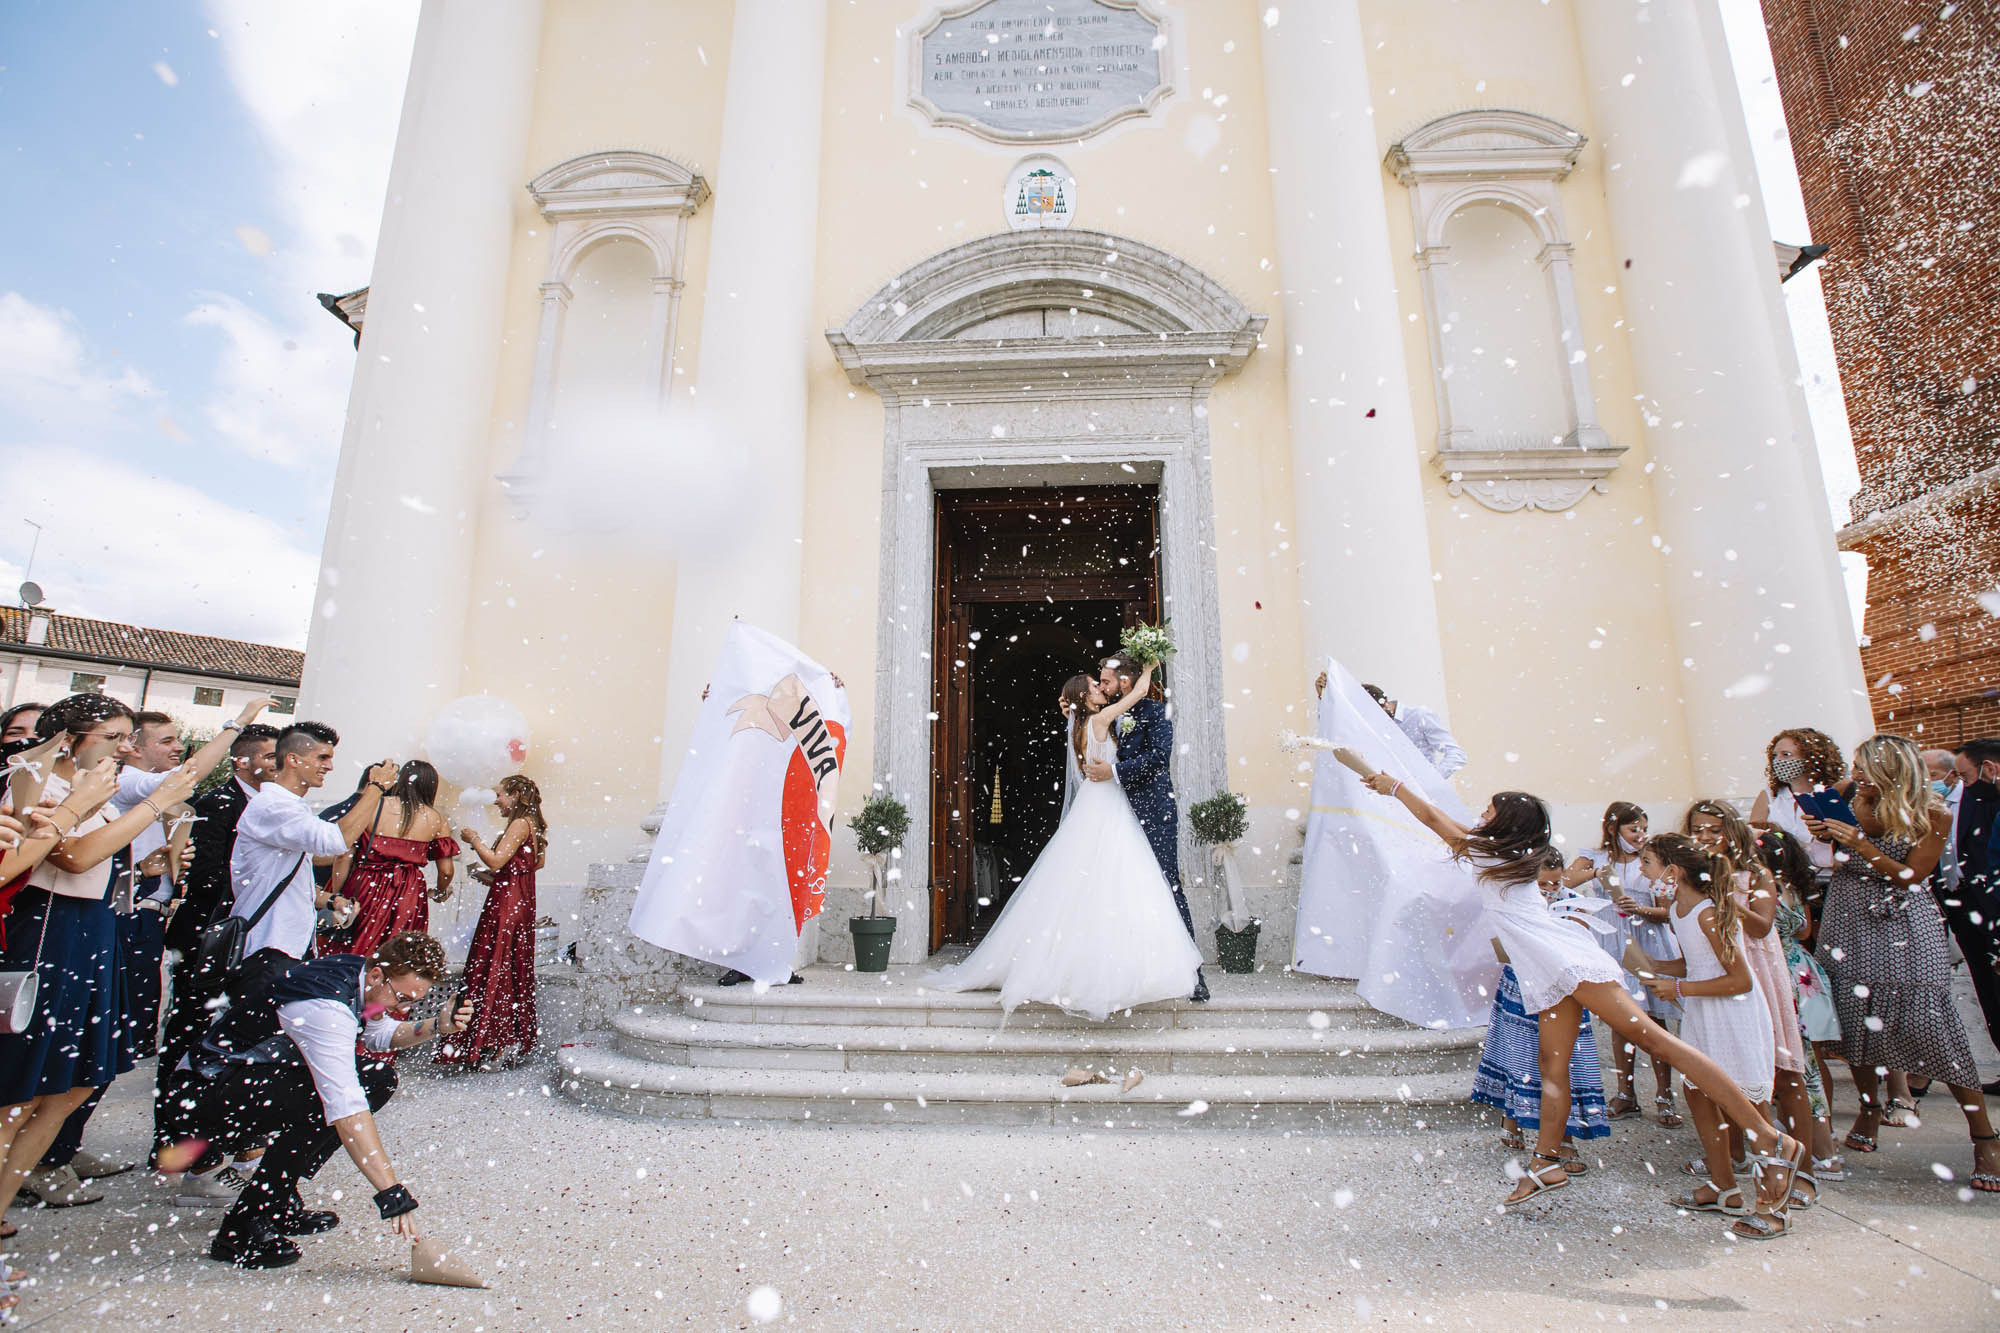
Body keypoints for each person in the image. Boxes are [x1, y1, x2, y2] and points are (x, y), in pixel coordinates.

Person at [1358, 777, 1806, 1233]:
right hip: (1546, 966)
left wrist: (1391, 785)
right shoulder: (1502, 854)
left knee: (1656, 1041)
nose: (1481, 817)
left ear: (1506, 824)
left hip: (1566, 962)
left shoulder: (1496, 855)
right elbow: (1448, 822)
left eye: (1489, 812)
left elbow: (1436, 819)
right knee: (1553, 1062)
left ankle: (1769, 1139)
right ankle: (1547, 1160)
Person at [0, 695, 201, 1239]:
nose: (126, 748)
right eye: (114, 738)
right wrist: (156, 804)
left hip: (97, 927)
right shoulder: (39, 783)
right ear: (70, 740)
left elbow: (102, 857)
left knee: (72, 1084)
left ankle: (11, 1187)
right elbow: (73, 856)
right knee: (21, 1084)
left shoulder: (98, 791)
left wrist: (155, 861)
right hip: (48, 929)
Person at [177, 931, 472, 1268]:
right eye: (402, 998)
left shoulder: (364, 978)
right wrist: (392, 1192)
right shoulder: (326, 1007)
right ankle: (242, 1229)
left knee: (378, 1078)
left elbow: (380, 1036)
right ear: (378, 975)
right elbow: (346, 1108)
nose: (403, 1008)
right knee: (328, 1103)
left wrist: (436, 1026)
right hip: (205, 1094)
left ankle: (278, 1198)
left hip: (245, 1080)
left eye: (411, 1003)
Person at [927, 664, 1202, 1020]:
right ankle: (1107, 971)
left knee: (1084, 887)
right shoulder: (1099, 722)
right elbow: (1135, 695)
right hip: (1107, 803)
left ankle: (1077, 964)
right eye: (1095, 685)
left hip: (1098, 801)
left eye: (1102, 681)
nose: (1101, 687)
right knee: (1116, 882)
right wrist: (1147, 665)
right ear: (1086, 697)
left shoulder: (1079, 725)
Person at [1809, 734, 2000, 1193]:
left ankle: (1984, 1138)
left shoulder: (1933, 812)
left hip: (1903, 923)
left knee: (1932, 1026)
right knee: (1852, 1019)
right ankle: (1871, 1109)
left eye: (1864, 764)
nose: (1856, 773)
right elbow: (1823, 823)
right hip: (1847, 915)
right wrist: (1831, 825)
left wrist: (1859, 843)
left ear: (1891, 768)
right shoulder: (1852, 797)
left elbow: (1913, 874)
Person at [152, 721, 278, 1193]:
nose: (276, 762)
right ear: (241, 760)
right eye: (268, 755)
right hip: (212, 944)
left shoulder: (266, 805)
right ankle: (181, 1154)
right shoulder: (218, 804)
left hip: (242, 947)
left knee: (228, 1047)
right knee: (188, 1047)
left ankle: (222, 1143)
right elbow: (206, 878)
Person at [1632, 832, 1780, 1228]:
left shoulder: (1708, 913)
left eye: (1647, 863)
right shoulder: (1680, 911)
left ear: (1673, 872)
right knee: (1697, 1091)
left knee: (1749, 1102)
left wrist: (1678, 988)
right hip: (1703, 1012)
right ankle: (1723, 1186)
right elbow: (1697, 964)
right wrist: (1655, 967)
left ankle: (1772, 1198)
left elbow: (1739, 980)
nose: (1642, 872)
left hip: (1733, 1015)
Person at [1682, 800, 1818, 1206]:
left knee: (1782, 1068)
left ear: (1732, 831)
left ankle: (1802, 1170)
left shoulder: (1754, 872)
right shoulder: (1696, 873)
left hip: (1758, 970)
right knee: (1725, 1070)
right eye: (1698, 829)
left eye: (1713, 829)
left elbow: (1761, 926)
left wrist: (1725, 897)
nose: (1705, 837)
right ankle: (1736, 1157)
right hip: (1718, 971)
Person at [1471, 849, 1609, 1172]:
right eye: (1542, 885)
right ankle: (1514, 1115)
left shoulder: (1572, 902)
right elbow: (1501, 949)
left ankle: (1565, 1138)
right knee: (1520, 1057)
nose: (1549, 891)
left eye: (1555, 883)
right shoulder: (1513, 902)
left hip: (1563, 989)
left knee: (1565, 1065)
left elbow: (1581, 943)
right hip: (1522, 986)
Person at [1085, 654, 1208, 1003]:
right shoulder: (1111, 717)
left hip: (1154, 812)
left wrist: (1116, 773)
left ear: (1124, 682)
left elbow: (1158, 757)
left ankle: (1193, 975)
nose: (1103, 686)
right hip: (1117, 817)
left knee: (1169, 888)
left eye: (1106, 680)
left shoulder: (1155, 712)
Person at [227, 722, 397, 967]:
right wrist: (377, 787)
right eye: (322, 758)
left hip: (287, 944)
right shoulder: (274, 805)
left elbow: (290, 878)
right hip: (268, 944)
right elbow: (336, 841)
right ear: (293, 759)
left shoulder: (291, 806)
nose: (329, 766)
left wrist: (330, 901)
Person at [1562, 801, 1679, 1124]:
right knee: (1620, 1021)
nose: (1640, 835)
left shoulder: (1651, 860)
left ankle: (1664, 1094)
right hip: (1612, 941)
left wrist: (1640, 909)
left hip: (1645, 939)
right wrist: (1597, 873)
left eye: (1643, 828)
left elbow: (1667, 909)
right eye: (1633, 829)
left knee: (1655, 1020)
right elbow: (1566, 880)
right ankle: (1625, 1092)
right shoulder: (1597, 857)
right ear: (1613, 829)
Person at [439, 775, 547, 1069]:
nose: (496, 800)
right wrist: (491, 877)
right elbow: (532, 866)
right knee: (511, 965)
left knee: (493, 964)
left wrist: (473, 839)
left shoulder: (520, 823)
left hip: (506, 905)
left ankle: (494, 1040)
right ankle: (505, 1038)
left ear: (515, 795)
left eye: (500, 794)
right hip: (519, 899)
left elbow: (497, 861)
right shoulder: (533, 826)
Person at [1757, 828, 1844, 1184]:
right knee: (1812, 1061)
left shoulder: (1765, 893)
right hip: (1803, 971)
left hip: (1780, 977)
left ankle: (1822, 1151)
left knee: (1799, 1068)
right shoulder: (1792, 887)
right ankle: (1824, 1136)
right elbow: (1806, 930)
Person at [323, 760, 456, 959]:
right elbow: (446, 870)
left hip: (368, 883)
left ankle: (353, 984)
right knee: (400, 954)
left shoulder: (375, 806)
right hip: (409, 891)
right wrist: (440, 890)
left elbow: (344, 854)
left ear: (401, 780)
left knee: (357, 946)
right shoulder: (437, 819)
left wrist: (336, 894)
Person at [1943, 738, 2000, 1071]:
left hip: (1991, 905)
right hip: (1967, 903)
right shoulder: (1971, 798)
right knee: (1987, 989)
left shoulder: (1989, 800)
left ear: (1988, 768)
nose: (1959, 784)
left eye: (1964, 777)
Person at [1317, 672, 1467, 778]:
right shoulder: (1369, 726)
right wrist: (1323, 696)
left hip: (1424, 800)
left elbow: (1456, 755)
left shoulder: (1419, 716)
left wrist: (1432, 781)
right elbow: (1335, 732)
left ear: (1385, 705)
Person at [1748, 728, 1848, 879]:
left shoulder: (1831, 795)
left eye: (1786, 755)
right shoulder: (1771, 795)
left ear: (1810, 759)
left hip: (1829, 879)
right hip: (1784, 879)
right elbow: (1754, 838)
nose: (1778, 761)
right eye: (1774, 756)